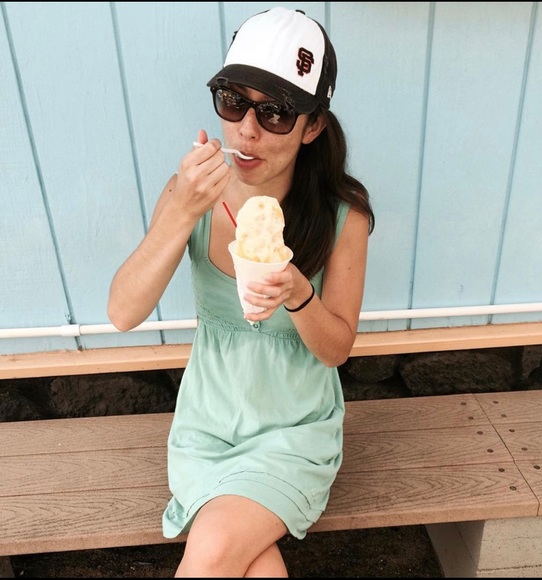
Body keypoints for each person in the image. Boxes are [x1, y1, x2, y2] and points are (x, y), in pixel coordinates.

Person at [108, 6, 375, 577]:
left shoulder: (342, 217)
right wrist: (182, 211)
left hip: (295, 434)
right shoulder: (190, 194)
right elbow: (123, 312)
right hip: (205, 429)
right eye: (234, 102)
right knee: (255, 566)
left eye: (275, 112)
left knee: (212, 552)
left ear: (312, 126)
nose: (247, 131)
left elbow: (336, 350)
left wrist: (298, 293)